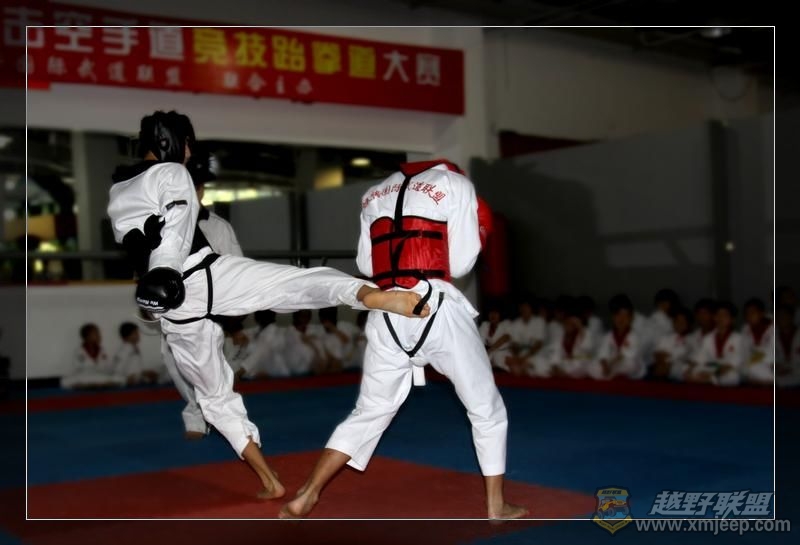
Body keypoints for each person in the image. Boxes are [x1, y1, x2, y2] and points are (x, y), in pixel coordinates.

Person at [106, 110, 429, 500]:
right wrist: (165, 271)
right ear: (168, 140)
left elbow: (136, 241)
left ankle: (268, 479)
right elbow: (176, 223)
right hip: (199, 275)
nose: (190, 151)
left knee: (213, 395)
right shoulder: (172, 173)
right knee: (292, 284)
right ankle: (367, 294)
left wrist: (154, 282)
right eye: (187, 143)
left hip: (173, 306)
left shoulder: (118, 189)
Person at [280, 160, 527, 520]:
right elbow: (460, 264)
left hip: (387, 312)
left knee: (369, 411)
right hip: (435, 307)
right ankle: (496, 505)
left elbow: (367, 265)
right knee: (486, 409)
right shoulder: (455, 184)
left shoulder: (372, 194)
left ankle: (308, 493)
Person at [586, 294, 645, 380]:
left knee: (630, 364)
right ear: (613, 317)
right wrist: (605, 365)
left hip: (627, 365)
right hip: (612, 364)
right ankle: (611, 374)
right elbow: (603, 353)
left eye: (625, 316)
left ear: (631, 319)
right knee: (591, 366)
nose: (621, 319)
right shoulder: (608, 336)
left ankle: (611, 374)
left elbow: (627, 355)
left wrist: (610, 365)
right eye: (618, 315)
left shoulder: (634, 335)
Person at [688, 301, 743, 386]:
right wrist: (689, 369)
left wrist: (714, 374)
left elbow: (734, 362)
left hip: (727, 370)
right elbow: (700, 357)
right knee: (694, 370)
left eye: (725, 315)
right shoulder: (708, 338)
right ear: (714, 318)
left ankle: (710, 379)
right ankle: (709, 379)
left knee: (732, 376)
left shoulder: (738, 338)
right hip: (712, 368)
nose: (721, 318)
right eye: (718, 315)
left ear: (732, 319)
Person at [61, 324, 125, 389]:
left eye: (98, 333)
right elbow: (78, 368)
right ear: (87, 336)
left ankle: (92, 385)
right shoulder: (79, 351)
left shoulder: (101, 350)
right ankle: (98, 384)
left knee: (119, 377)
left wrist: (107, 371)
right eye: (96, 334)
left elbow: (105, 367)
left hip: (100, 375)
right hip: (85, 376)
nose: (99, 336)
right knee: (66, 381)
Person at [236, 310, 290, 379]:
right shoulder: (258, 329)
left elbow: (259, 353)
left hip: (275, 375)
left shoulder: (274, 334)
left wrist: (240, 372)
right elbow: (247, 334)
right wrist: (241, 336)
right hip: (257, 374)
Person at [650, 307, 693, 381]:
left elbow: (690, 360)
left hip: (683, 372)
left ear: (688, 324)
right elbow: (659, 354)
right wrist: (665, 361)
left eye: (683, 322)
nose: (680, 324)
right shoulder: (665, 337)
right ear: (673, 322)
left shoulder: (692, 339)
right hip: (664, 369)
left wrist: (669, 361)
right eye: (677, 321)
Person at [506, 297, 546, 376]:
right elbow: (515, 345)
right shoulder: (516, 323)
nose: (524, 309)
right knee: (514, 366)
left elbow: (539, 344)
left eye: (526, 307)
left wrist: (525, 357)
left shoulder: (539, 321)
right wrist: (517, 356)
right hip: (521, 355)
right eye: (522, 307)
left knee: (527, 365)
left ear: (531, 308)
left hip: (537, 354)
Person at [740, 298, 774, 385]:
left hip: (770, 364)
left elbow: (771, 353)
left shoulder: (773, 327)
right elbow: (744, 352)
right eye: (747, 314)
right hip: (753, 364)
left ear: (762, 313)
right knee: (746, 368)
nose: (749, 317)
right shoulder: (745, 329)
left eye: (752, 313)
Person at [478, 300, 514, 372]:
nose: (493, 315)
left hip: (505, 354)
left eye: (496, 313)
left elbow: (505, 338)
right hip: (490, 356)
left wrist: (490, 350)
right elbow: (480, 342)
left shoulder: (506, 323)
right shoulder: (485, 325)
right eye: (491, 313)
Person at [775, 304, 800, 387]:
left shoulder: (798, 334)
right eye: (778, 316)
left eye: (784, 315)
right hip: (782, 375)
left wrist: (790, 368)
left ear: (791, 317)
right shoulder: (773, 336)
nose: (781, 318)